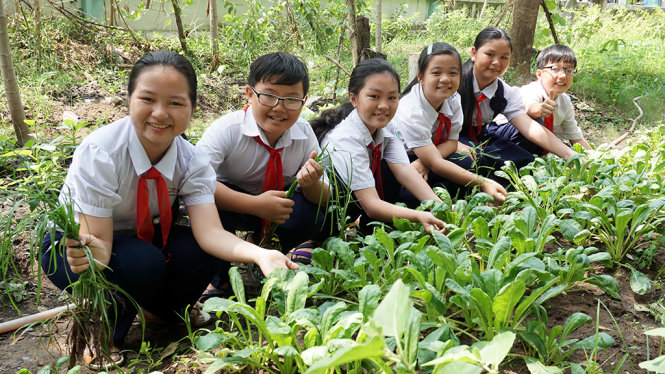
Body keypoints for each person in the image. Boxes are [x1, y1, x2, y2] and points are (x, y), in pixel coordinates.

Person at [41, 51, 298, 370]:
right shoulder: (102, 152)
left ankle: (160, 311)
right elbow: (101, 247)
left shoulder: (191, 160)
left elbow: (211, 233)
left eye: (176, 103)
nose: (160, 113)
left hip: (140, 240)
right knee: (141, 262)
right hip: (75, 247)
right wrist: (86, 260)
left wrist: (261, 255)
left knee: (199, 252)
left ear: (192, 108)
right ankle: (100, 330)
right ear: (129, 99)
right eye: (148, 99)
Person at [196, 52, 330, 269]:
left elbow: (325, 195)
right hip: (233, 202)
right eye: (269, 96)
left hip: (275, 204)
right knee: (212, 211)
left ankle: (274, 247)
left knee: (311, 214)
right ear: (250, 94)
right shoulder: (227, 130)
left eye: (292, 99)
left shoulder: (303, 132)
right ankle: (216, 279)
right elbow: (196, 182)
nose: (279, 107)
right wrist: (255, 205)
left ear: (304, 101)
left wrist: (311, 183)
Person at [312, 58, 445, 234]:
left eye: (392, 97)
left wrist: (439, 207)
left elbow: (404, 169)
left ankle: (373, 226)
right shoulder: (345, 138)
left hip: (362, 198)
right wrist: (418, 216)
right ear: (354, 98)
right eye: (374, 96)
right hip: (330, 210)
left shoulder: (387, 126)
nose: (384, 106)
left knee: (391, 170)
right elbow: (371, 204)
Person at [457, 27, 578, 184]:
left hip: (480, 136)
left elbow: (529, 127)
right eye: (490, 54)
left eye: (504, 57)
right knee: (468, 160)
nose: (496, 62)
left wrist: (569, 154)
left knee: (525, 159)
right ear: (474, 53)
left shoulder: (504, 91)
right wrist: (454, 145)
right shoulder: (454, 81)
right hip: (444, 140)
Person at [392, 42, 507, 204]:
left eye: (453, 73)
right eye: (436, 73)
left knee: (469, 158)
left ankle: (449, 193)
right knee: (408, 196)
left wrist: (425, 161)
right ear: (420, 77)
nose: (445, 79)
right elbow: (436, 162)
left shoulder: (453, 99)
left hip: (430, 153)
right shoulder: (411, 110)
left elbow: (452, 142)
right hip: (404, 161)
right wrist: (483, 183)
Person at [491, 44, 591, 152]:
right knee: (535, 122)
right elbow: (529, 108)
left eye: (569, 71)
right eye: (556, 69)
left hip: (533, 141)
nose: (563, 76)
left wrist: (596, 157)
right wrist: (540, 109)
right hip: (502, 134)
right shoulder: (530, 90)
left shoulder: (565, 101)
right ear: (539, 74)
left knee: (567, 150)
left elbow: (575, 138)